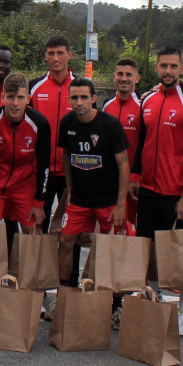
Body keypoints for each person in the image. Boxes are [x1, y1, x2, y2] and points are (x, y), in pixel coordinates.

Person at [130, 45, 183, 336]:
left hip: (179, 195)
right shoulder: (147, 100)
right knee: (148, 250)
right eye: (163, 66)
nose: (168, 71)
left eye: (173, 66)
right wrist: (135, 177)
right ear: (157, 67)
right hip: (149, 191)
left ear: (181, 69)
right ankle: (155, 300)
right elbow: (142, 141)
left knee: (182, 255)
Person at [0, 72, 50, 311]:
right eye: (10, 97)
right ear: (2, 98)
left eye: (20, 97)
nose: (15, 103)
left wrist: (39, 201)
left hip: (24, 186)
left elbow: (44, 164)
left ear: (28, 98)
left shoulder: (39, 123)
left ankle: (33, 292)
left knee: (31, 235)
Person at [57, 77, 129, 291]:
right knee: (65, 241)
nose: (79, 102)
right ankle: (63, 292)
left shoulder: (110, 124)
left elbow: (123, 164)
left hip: (106, 200)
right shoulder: (67, 123)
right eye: (75, 97)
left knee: (108, 249)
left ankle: (111, 300)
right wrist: (69, 189)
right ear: (69, 99)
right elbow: (66, 156)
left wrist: (121, 204)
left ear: (94, 99)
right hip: (79, 199)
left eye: (84, 97)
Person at [29, 35, 77, 294]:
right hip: (41, 172)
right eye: (51, 53)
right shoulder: (35, 88)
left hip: (72, 175)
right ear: (45, 56)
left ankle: (66, 289)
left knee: (71, 233)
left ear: (69, 55)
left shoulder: (80, 87)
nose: (55, 58)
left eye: (60, 52)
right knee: (38, 228)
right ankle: (37, 288)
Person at [101, 58, 142, 233]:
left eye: (128, 75)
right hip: (109, 181)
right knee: (109, 228)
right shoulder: (106, 106)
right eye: (120, 74)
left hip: (133, 182)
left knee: (133, 229)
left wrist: (136, 176)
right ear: (114, 76)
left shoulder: (143, 106)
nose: (124, 78)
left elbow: (144, 144)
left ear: (137, 78)